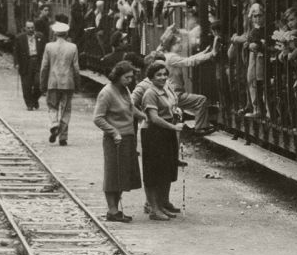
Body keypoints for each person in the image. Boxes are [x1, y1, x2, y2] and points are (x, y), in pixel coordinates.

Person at [132, 61, 186, 220]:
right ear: (151, 77)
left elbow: (172, 105)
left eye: (164, 74)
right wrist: (173, 127)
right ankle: (154, 208)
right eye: (158, 75)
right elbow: (153, 118)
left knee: (166, 169)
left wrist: (176, 112)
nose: (163, 77)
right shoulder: (150, 93)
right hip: (154, 133)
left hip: (166, 131)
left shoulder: (167, 87)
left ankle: (162, 205)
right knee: (153, 171)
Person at [92, 62, 142, 223]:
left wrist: (143, 115)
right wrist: (114, 132)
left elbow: (130, 108)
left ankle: (115, 209)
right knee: (113, 174)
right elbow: (98, 118)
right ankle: (112, 210)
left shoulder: (125, 89)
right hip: (115, 140)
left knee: (123, 174)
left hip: (128, 137)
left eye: (131, 77)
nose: (130, 80)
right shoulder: (106, 93)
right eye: (126, 77)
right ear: (118, 76)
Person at [159, 27, 216, 134]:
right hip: (176, 95)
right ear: (171, 45)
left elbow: (189, 59)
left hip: (172, 94)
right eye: (178, 43)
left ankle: (201, 126)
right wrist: (210, 54)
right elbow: (190, 62)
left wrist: (204, 52)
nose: (180, 45)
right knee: (201, 100)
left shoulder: (168, 56)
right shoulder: (172, 58)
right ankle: (200, 128)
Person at [40, 21, 80, 145]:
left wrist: (42, 84)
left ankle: (54, 124)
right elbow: (76, 68)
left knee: (52, 106)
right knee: (66, 110)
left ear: (55, 33)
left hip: (53, 82)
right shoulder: (73, 47)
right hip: (68, 83)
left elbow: (44, 67)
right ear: (66, 33)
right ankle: (63, 137)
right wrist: (77, 84)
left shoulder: (48, 46)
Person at [12, 20, 47, 111]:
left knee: (39, 83)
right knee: (26, 85)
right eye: (28, 28)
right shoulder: (19, 38)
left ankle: (34, 99)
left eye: (32, 28)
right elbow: (16, 52)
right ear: (25, 28)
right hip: (26, 63)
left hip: (38, 62)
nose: (30, 29)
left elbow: (44, 50)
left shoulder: (40, 36)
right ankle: (29, 104)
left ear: (34, 28)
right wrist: (16, 63)